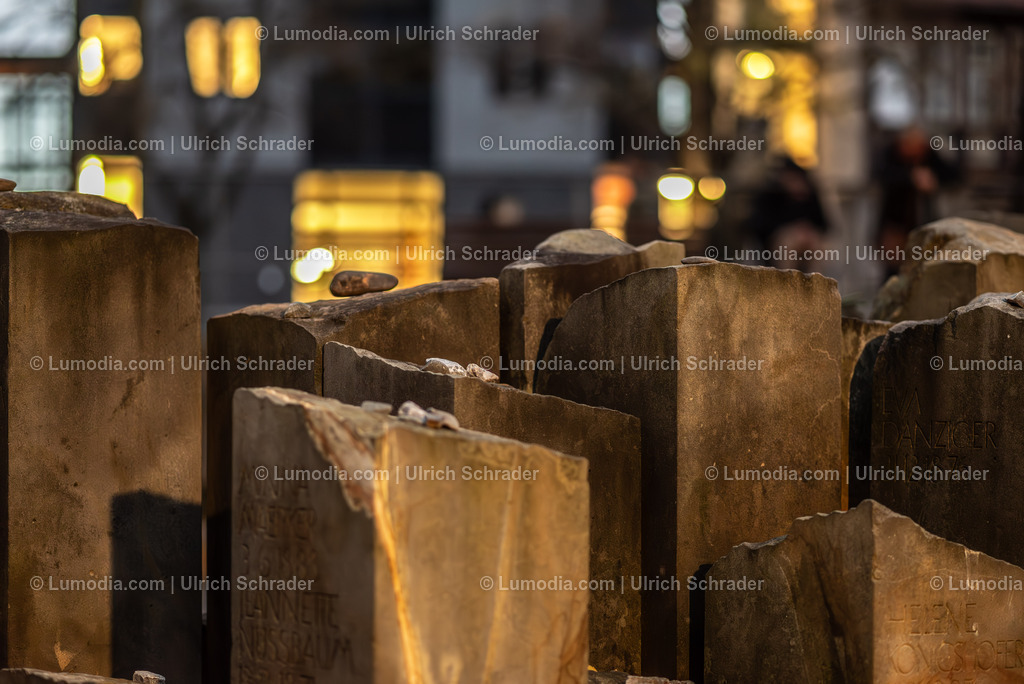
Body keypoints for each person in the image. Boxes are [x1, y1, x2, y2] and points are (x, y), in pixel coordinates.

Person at [876, 125, 958, 277]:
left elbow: (953, 174)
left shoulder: (927, 155)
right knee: (894, 269)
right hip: (895, 225)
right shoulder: (890, 154)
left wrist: (934, 179)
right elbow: (881, 175)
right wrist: (911, 177)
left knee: (923, 268)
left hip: (923, 222)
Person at [748, 156, 828, 271]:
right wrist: (791, 229)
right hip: (776, 243)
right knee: (790, 243)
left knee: (816, 243)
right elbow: (760, 225)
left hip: (809, 240)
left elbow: (824, 224)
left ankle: (814, 284)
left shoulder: (809, 194)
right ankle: (786, 282)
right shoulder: (771, 194)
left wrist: (806, 229)